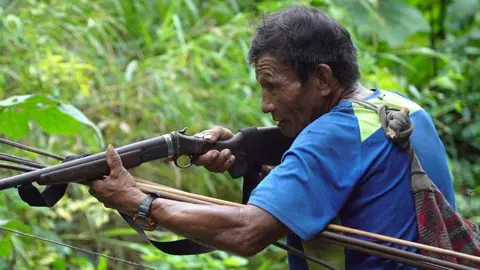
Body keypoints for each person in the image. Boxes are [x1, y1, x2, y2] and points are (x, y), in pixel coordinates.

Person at [88, 5, 456, 269]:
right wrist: (250, 156)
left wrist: (139, 201)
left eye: (273, 87)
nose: (265, 105)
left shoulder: (330, 136)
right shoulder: (402, 109)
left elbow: (246, 234)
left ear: (323, 79)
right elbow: (361, 176)